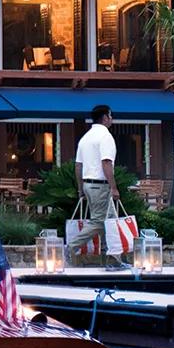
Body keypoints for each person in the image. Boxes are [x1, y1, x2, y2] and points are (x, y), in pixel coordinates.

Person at [67, 104, 127, 269]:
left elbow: (78, 165)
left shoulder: (85, 138)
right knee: (99, 222)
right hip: (100, 186)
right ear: (106, 117)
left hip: (88, 184)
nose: (112, 119)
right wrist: (114, 187)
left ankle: (112, 260)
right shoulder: (105, 137)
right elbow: (106, 162)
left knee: (109, 222)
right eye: (111, 116)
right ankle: (71, 247)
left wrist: (80, 188)